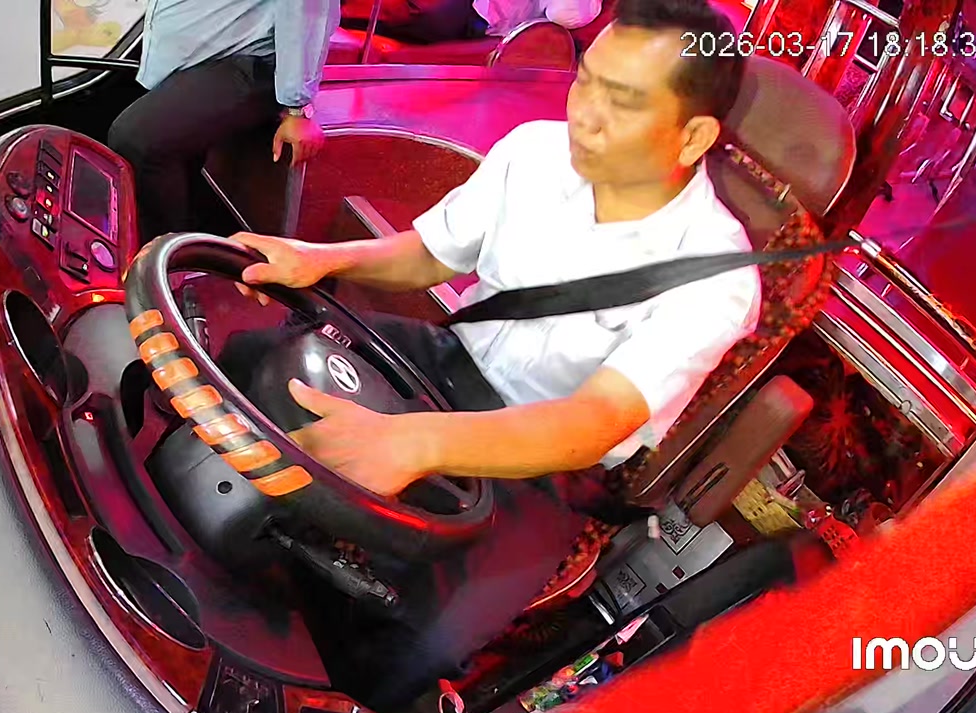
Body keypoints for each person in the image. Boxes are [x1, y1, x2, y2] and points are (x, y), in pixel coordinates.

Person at [226, 0, 758, 501]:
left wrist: (415, 442)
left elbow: (596, 419)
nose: (584, 116)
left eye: (621, 102)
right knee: (252, 363)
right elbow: (433, 255)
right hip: (450, 359)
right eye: (585, 81)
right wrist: (319, 258)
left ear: (693, 137)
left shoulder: (715, 278)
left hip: (537, 458)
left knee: (327, 502)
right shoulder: (536, 149)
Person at [108, 0, 338, 241]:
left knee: (137, 139)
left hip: (247, 58)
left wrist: (297, 108)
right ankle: (190, 243)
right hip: (193, 56)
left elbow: (307, 10)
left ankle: (164, 255)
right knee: (169, 156)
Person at [339, 0, 601, 45]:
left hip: (479, 15)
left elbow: (562, 14)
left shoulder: (586, 7)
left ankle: (339, 15)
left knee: (417, 12)